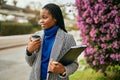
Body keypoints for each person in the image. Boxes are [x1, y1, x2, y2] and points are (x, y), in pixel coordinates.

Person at [25, 3, 78, 80]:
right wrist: (29, 51)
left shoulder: (68, 38)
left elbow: (74, 64)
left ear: (55, 18)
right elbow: (30, 63)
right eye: (40, 18)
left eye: (44, 17)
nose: (41, 21)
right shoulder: (37, 36)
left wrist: (62, 70)